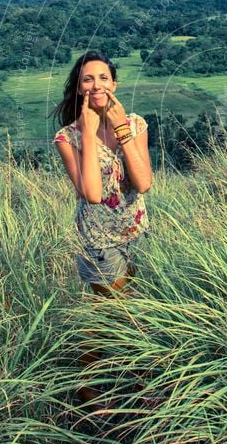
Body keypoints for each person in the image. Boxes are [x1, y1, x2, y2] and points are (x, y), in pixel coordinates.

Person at [50, 50, 153, 404]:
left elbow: (142, 183)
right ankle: (139, 382)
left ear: (115, 84)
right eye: (87, 79)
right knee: (127, 310)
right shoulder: (69, 138)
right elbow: (92, 194)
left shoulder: (136, 124)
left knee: (107, 310)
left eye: (103, 78)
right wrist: (91, 132)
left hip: (137, 232)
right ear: (79, 89)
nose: (97, 85)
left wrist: (121, 127)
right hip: (98, 241)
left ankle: (91, 379)